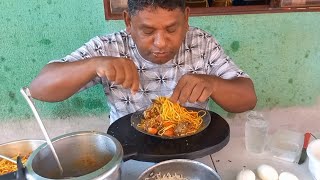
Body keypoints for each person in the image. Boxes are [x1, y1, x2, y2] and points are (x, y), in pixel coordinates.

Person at [29, 0, 257, 123]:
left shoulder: (202, 43)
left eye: (171, 29)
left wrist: (213, 84)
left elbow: (248, 99)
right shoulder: (110, 47)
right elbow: (39, 89)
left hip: (191, 150)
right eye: (147, 31)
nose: (160, 43)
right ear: (128, 21)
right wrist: (93, 65)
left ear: (186, 18)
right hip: (129, 153)